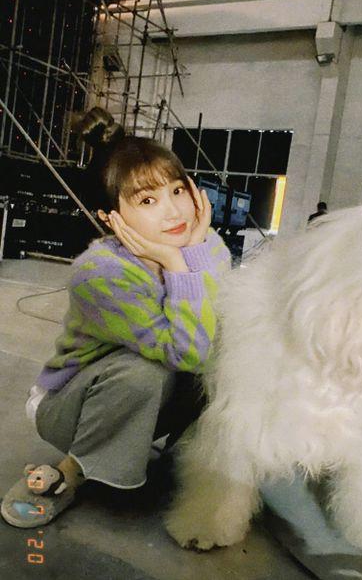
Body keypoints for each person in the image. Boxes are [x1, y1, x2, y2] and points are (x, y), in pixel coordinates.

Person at [1, 107, 231, 528]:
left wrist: (192, 254)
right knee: (145, 370)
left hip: (146, 399)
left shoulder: (209, 246)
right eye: (147, 200)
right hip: (71, 406)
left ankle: (185, 457)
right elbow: (188, 353)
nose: (174, 212)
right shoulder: (102, 274)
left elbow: (211, 339)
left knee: (232, 355)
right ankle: (72, 471)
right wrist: (179, 265)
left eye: (177, 190)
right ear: (111, 218)